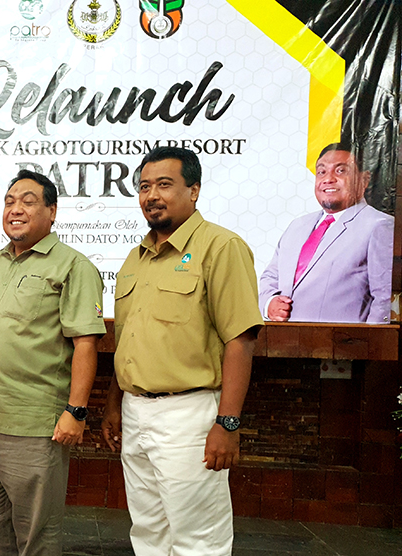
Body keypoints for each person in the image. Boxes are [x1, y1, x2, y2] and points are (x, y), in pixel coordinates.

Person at [101, 147, 263, 556]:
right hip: (135, 414)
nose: (152, 195)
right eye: (144, 187)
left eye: (164, 185)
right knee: (148, 532)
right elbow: (130, 341)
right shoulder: (136, 258)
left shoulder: (221, 247)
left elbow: (240, 339)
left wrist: (227, 422)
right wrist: (114, 402)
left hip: (188, 417)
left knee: (198, 540)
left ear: (194, 190)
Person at [0, 169, 106, 556]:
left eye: (28, 201)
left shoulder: (72, 266)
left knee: (36, 533)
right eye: (9, 202)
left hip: (33, 423)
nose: (15, 209)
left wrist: (76, 411)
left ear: (52, 212)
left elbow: (86, 343)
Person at [258, 142, 393, 323]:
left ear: (364, 179)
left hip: (343, 340)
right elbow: (270, 276)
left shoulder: (379, 225)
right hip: (285, 338)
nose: (328, 179)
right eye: (321, 172)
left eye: (340, 171)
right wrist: (269, 303)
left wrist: (371, 338)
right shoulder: (297, 226)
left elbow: (384, 299)